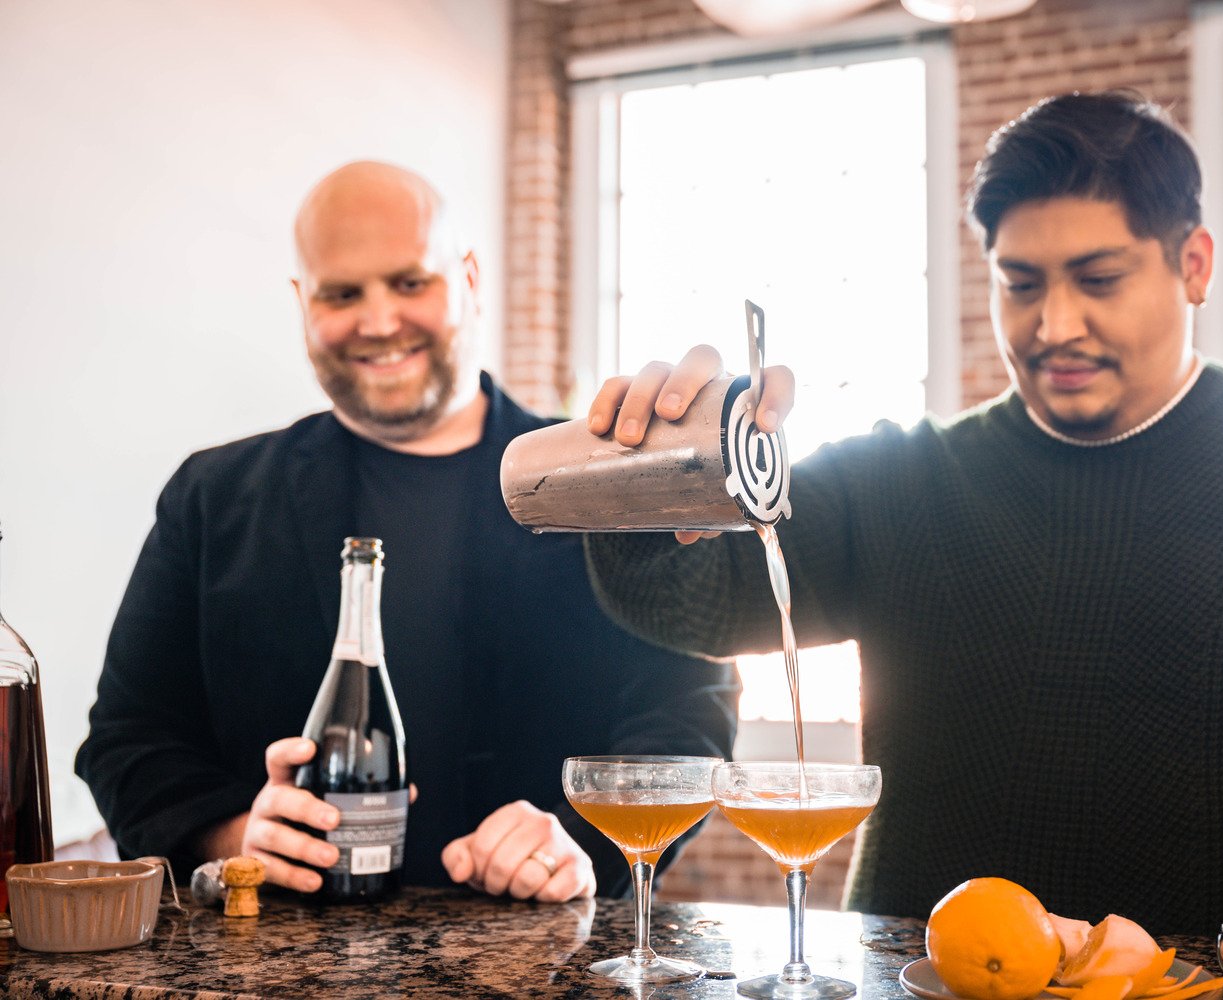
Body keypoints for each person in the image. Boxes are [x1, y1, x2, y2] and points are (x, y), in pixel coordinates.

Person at [580, 91, 1223, 938]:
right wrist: (666, 470)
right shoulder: (903, 481)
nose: (1053, 325)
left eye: (1097, 278)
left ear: (1194, 265)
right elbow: (688, 600)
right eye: (1021, 283)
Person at [75, 161, 737, 903]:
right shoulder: (211, 495)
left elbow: (688, 715)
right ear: (303, 302)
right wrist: (234, 835)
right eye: (342, 293)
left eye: (410, 282)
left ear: (470, 278)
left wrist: (585, 843)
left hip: (545, 958)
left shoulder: (603, 488)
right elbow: (127, 740)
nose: (380, 320)